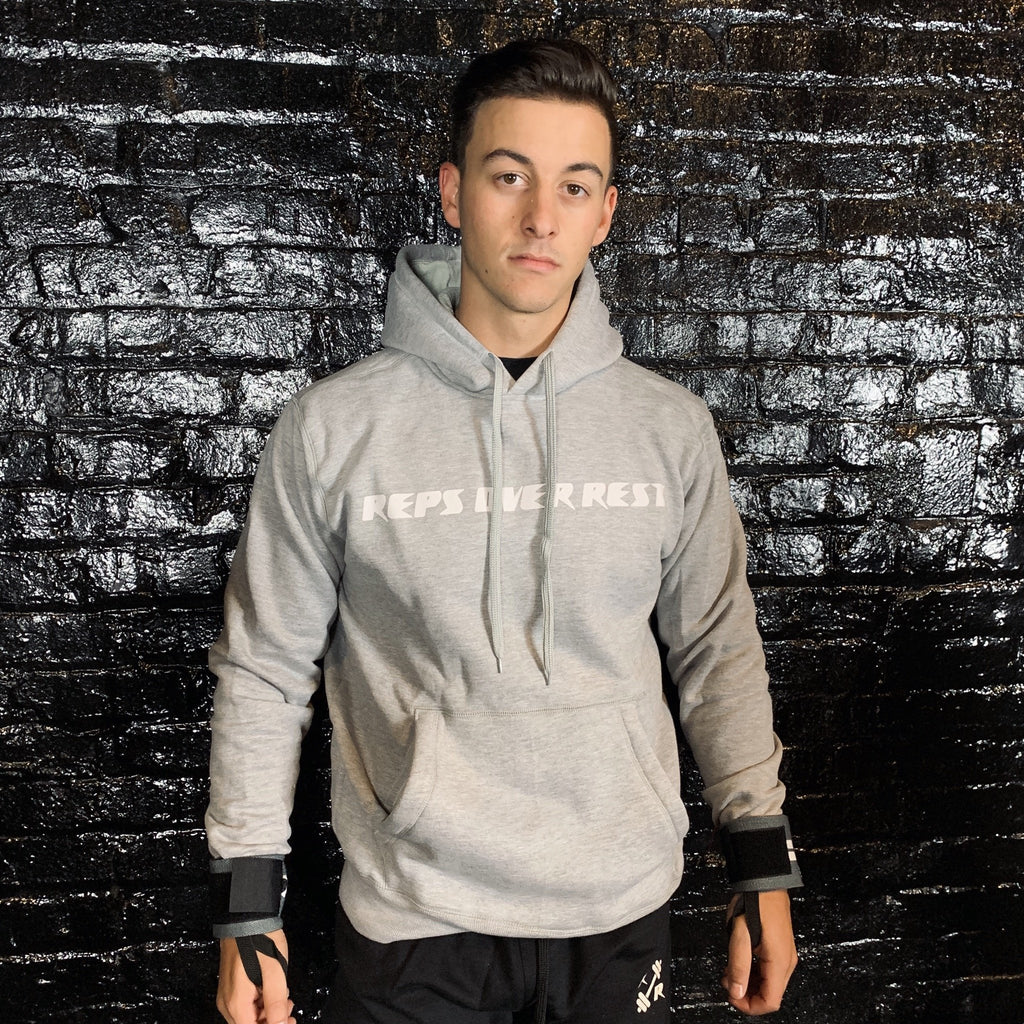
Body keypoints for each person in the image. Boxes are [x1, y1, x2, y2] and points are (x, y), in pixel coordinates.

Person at [206, 38, 802, 1024]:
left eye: (574, 187)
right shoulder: (332, 429)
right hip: (415, 916)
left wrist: (762, 863)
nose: (539, 218)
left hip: (618, 905)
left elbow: (716, 649)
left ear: (604, 213)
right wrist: (245, 903)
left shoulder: (669, 429)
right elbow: (266, 666)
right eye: (508, 177)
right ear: (453, 193)